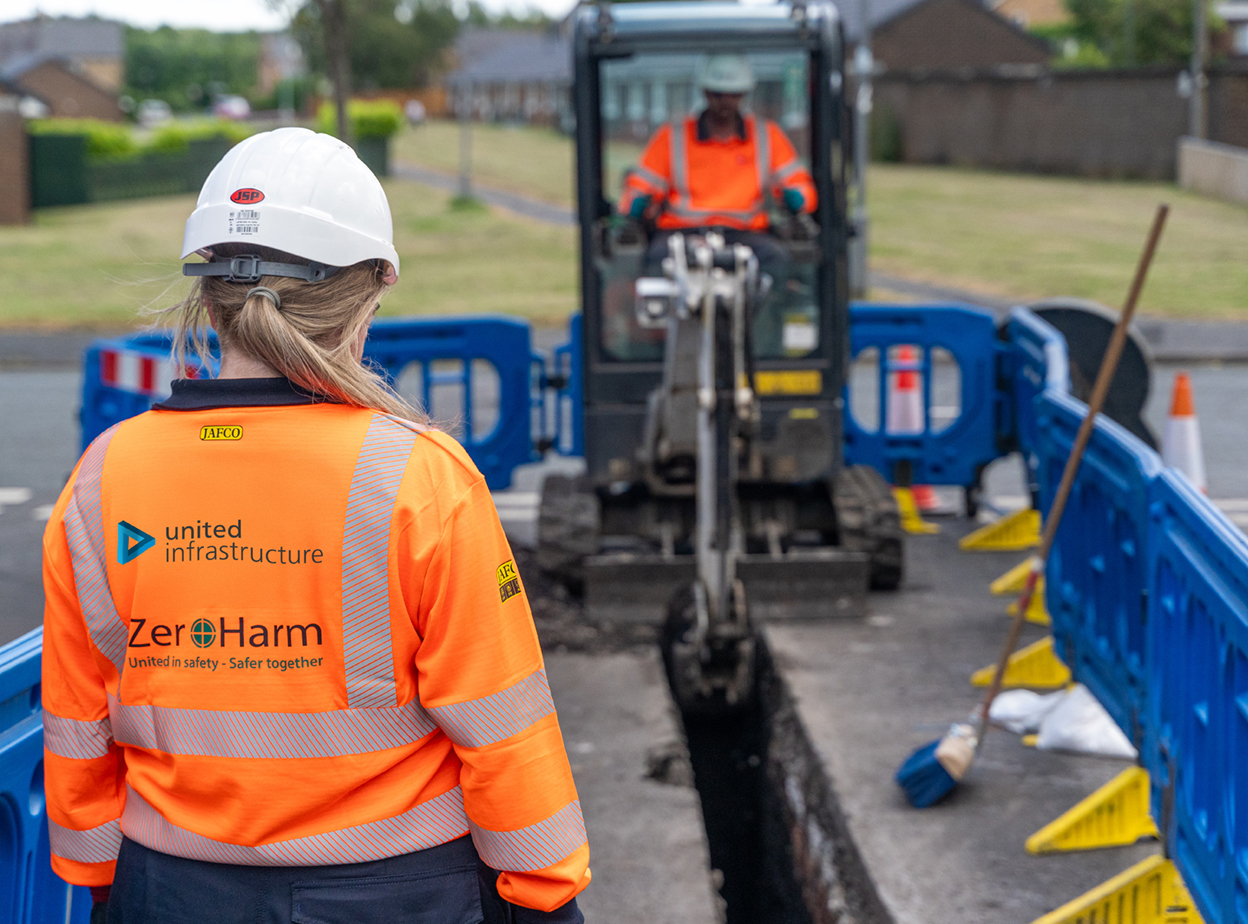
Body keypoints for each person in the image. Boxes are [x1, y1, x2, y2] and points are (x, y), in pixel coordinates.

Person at [41, 127, 589, 924]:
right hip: (400, 892)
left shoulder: (103, 477)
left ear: (210, 295)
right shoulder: (417, 476)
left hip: (169, 890)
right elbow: (500, 720)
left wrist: (100, 879)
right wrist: (544, 894)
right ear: (365, 297)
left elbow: (77, 713)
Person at [618, 52, 818, 276]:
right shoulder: (673, 136)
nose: (725, 102)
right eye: (717, 94)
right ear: (704, 92)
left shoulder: (766, 136)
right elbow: (641, 184)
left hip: (746, 234)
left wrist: (799, 199)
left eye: (732, 95)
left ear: (744, 93)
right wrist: (635, 204)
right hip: (681, 233)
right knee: (654, 262)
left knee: (778, 261)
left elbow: (797, 183)